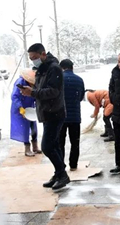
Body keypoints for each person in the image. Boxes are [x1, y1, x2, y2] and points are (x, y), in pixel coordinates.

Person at [19, 43, 70, 190]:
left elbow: (54, 91)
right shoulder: (42, 69)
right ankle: (58, 173)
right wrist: (31, 90)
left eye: (35, 57)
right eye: (31, 58)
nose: (33, 60)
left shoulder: (53, 68)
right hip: (47, 112)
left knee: (47, 147)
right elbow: (41, 89)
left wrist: (33, 93)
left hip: (55, 112)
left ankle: (62, 174)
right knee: (53, 145)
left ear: (43, 54)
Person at [58, 59, 85, 171]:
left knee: (60, 142)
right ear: (72, 67)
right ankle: (73, 165)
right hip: (75, 117)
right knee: (75, 142)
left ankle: (61, 165)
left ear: (61, 68)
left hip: (60, 116)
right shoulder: (79, 80)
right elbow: (80, 97)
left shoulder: (59, 80)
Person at [10, 69, 41, 157]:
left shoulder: (35, 83)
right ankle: (27, 148)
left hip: (30, 108)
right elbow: (15, 96)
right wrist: (20, 107)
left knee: (33, 126)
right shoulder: (20, 83)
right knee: (24, 128)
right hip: (20, 108)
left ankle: (35, 146)